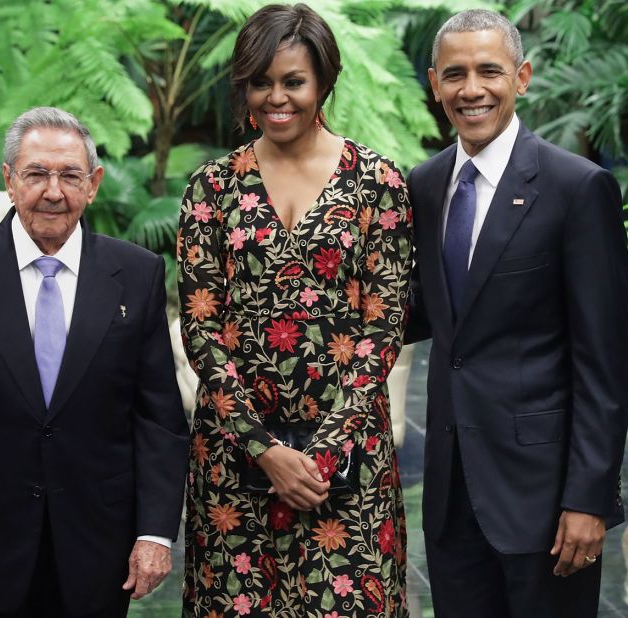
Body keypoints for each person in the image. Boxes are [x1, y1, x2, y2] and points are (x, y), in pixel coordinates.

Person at [0, 107, 189, 617]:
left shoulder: (137, 274)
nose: (53, 191)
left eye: (70, 175)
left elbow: (158, 418)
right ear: (9, 181)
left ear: (94, 184)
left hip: (101, 538)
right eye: (36, 174)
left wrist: (155, 532)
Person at [177, 4, 413, 616]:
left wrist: (319, 457)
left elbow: (382, 327)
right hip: (234, 461)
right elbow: (202, 329)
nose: (276, 98)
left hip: (347, 463)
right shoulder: (211, 190)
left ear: (324, 83)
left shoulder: (377, 183)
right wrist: (264, 449)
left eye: (293, 82)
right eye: (261, 82)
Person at [405, 9, 628, 618]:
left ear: (522, 77)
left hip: (546, 500)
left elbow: (603, 362)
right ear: (434, 83)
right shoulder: (421, 188)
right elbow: (419, 314)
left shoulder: (576, 188)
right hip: (452, 497)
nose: (471, 89)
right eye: (455, 74)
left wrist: (589, 499)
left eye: (489, 71)